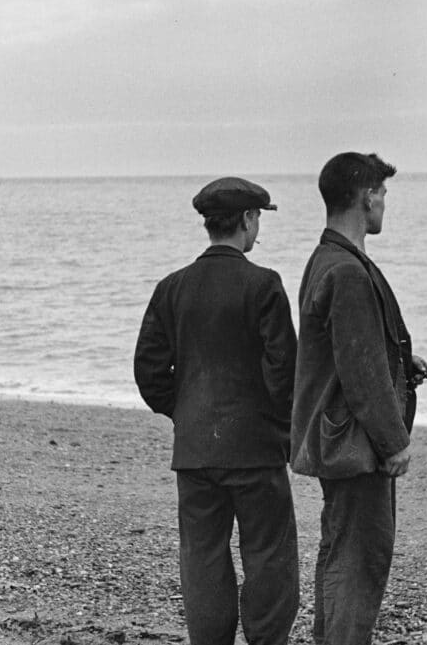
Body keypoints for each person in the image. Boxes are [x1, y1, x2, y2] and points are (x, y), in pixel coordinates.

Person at [134, 177, 300, 645]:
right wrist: (276, 422)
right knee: (269, 555)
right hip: (256, 449)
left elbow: (148, 370)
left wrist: (184, 411)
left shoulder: (172, 287)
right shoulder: (264, 283)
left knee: (203, 556)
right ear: (246, 220)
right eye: (258, 220)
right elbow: (283, 368)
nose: (258, 231)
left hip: (195, 449)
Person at [290, 152, 427, 645]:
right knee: (361, 559)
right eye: (383, 193)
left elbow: (341, 350)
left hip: (336, 436)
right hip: (355, 443)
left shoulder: (327, 259)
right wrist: (394, 443)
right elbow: (360, 372)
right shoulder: (346, 270)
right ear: (367, 195)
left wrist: (400, 359)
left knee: (340, 551)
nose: (385, 202)